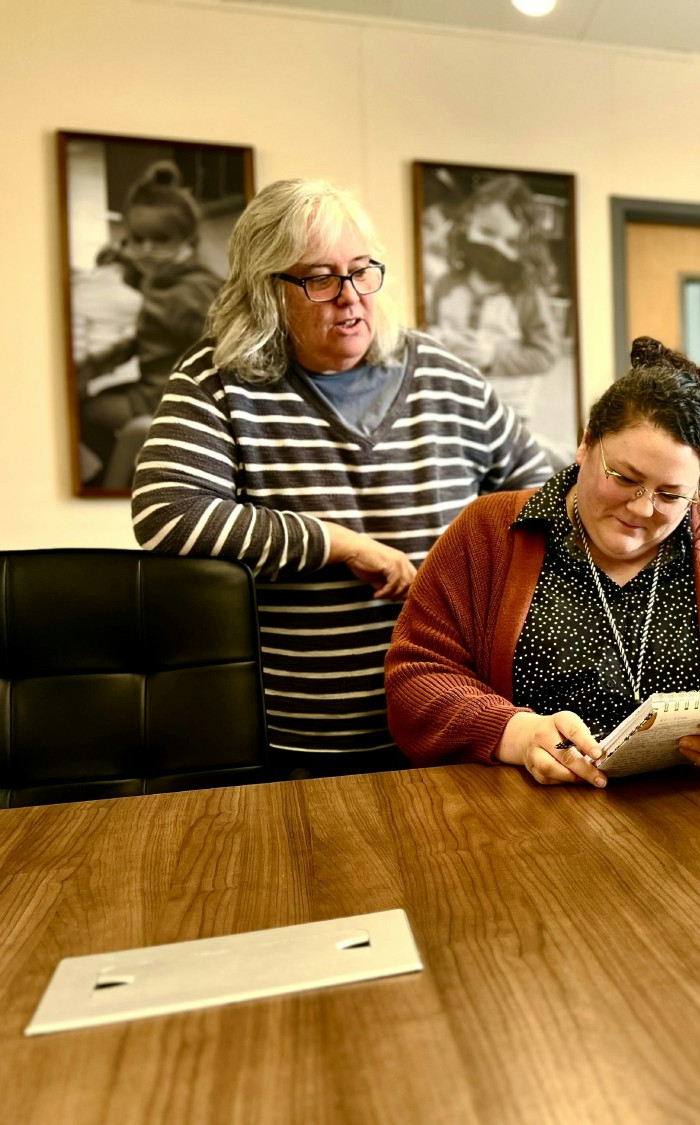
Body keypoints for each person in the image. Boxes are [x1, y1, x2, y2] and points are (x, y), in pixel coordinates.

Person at [132, 178, 551, 774]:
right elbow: (168, 514)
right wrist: (339, 544)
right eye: (320, 279)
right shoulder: (219, 381)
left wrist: (466, 580)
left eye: (361, 271)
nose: (350, 297)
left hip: (451, 733)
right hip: (298, 746)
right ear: (267, 291)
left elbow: (545, 499)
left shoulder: (445, 377)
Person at [384, 337, 700, 785]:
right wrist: (517, 733)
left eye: (671, 494)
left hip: (694, 813)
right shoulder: (489, 531)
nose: (641, 508)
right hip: (521, 815)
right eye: (624, 477)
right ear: (586, 444)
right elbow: (416, 676)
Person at [79, 160, 223, 487]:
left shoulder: (186, 293)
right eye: (137, 239)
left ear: (189, 240)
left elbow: (217, 353)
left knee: (83, 412)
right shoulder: (165, 278)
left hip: (165, 394)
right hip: (159, 386)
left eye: (160, 241)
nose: (145, 251)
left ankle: (111, 479)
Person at [427, 174, 560, 425]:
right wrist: (438, 341)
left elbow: (546, 354)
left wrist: (493, 356)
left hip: (508, 415)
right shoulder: (446, 285)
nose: (497, 248)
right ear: (467, 224)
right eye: (487, 232)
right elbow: (430, 330)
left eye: (511, 242)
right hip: (452, 407)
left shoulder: (527, 296)